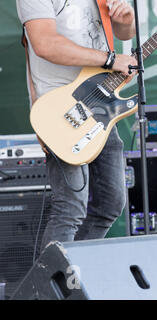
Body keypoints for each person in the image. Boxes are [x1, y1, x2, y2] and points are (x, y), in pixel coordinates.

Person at [16, 0, 138, 250]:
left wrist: (126, 21)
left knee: (110, 204)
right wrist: (111, 59)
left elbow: (124, 34)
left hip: (101, 104)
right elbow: (45, 44)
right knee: (70, 209)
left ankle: (75, 273)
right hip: (59, 109)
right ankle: (49, 285)